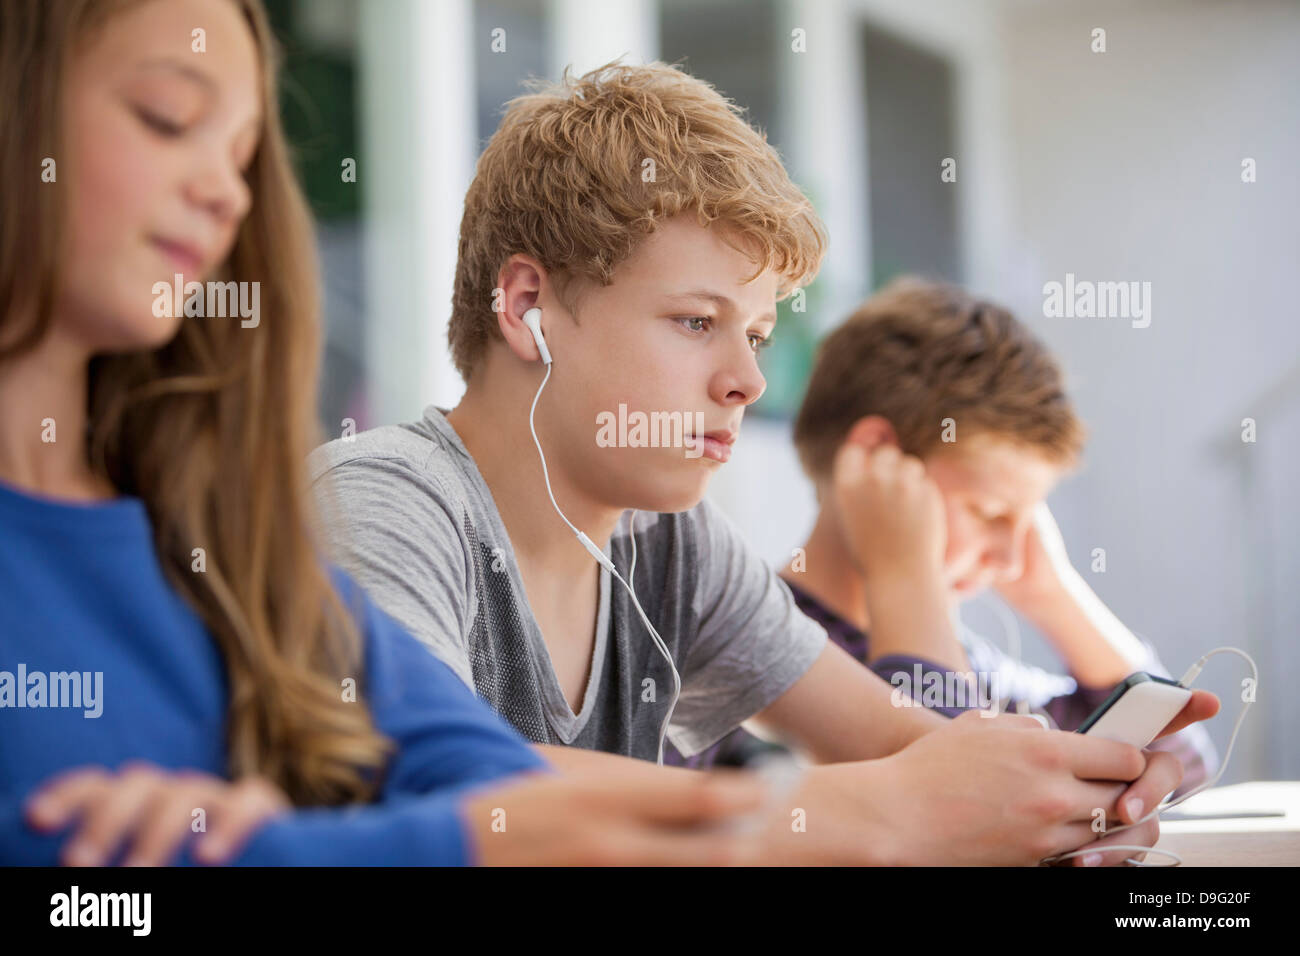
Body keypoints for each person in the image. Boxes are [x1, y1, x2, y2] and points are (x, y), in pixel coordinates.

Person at [309, 61, 1217, 865]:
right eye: (697, 323)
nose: (746, 380)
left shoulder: (673, 543)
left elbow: (908, 749)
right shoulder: (384, 499)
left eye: (756, 333)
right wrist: (887, 810)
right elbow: (418, 779)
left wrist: (1065, 791)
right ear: (527, 306)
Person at [0, 0, 769, 868]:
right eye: (166, 118)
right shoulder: (381, 498)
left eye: (245, 155)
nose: (227, 193)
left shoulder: (231, 544)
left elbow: (487, 780)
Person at [667, 277, 1218, 801]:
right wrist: (905, 576)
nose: (1009, 555)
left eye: (1027, 521)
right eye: (990, 512)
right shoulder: (742, 640)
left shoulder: (965, 662)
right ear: (879, 459)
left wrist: (1055, 593)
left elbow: (1183, 754)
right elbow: (960, 806)